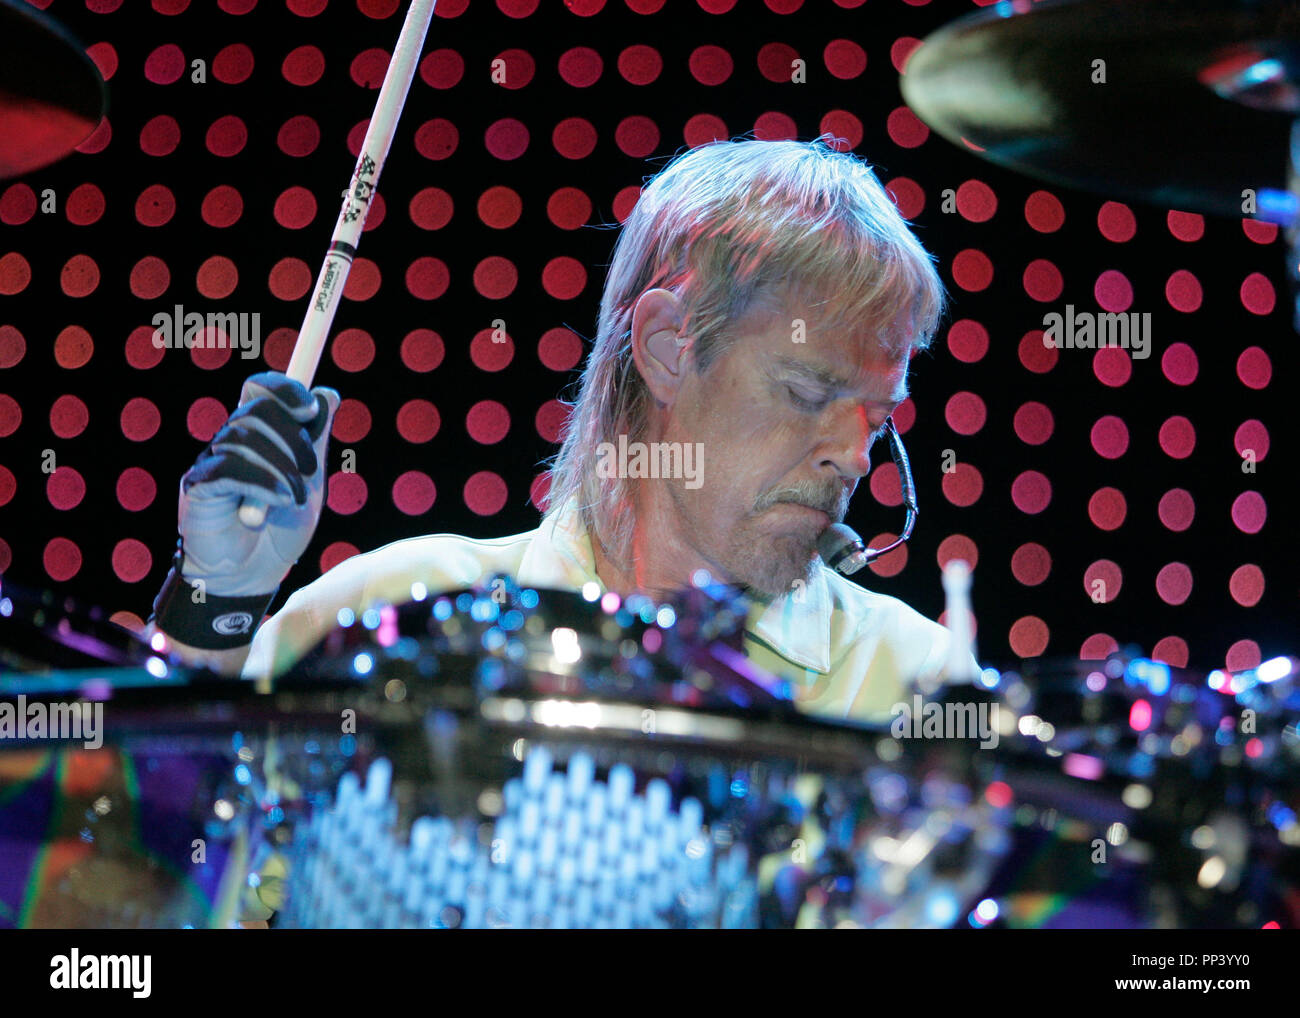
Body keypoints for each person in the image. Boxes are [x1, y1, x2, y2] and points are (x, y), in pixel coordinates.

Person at [145, 134, 976, 724]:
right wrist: (209, 611)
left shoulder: (918, 684)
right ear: (666, 345)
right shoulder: (391, 614)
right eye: (805, 388)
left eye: (878, 413)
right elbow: (136, 871)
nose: (853, 453)